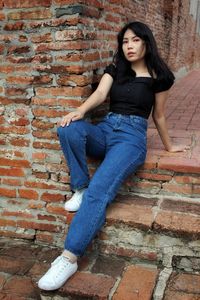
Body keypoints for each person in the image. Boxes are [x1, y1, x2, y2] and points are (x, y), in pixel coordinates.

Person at [38, 21, 189, 291]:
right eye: (125, 41)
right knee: (69, 129)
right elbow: (99, 94)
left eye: (135, 40)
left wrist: (169, 147)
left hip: (131, 139)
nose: (129, 46)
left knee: (101, 191)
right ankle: (79, 187)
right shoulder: (116, 68)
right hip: (106, 128)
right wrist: (80, 112)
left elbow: (160, 115)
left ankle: (69, 258)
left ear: (146, 42)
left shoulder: (160, 76)